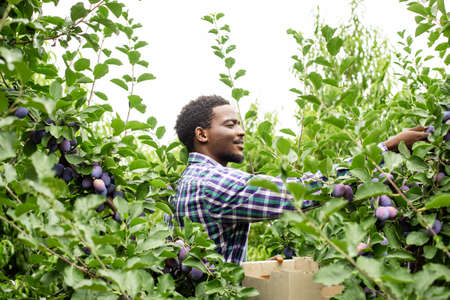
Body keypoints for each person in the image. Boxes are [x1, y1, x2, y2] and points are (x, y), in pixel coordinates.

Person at [172, 95, 429, 265]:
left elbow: (203, 258)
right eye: (230, 125)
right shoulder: (215, 183)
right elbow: (298, 192)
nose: (241, 131)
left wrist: (250, 269)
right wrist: (384, 149)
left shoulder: (185, 183)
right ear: (201, 134)